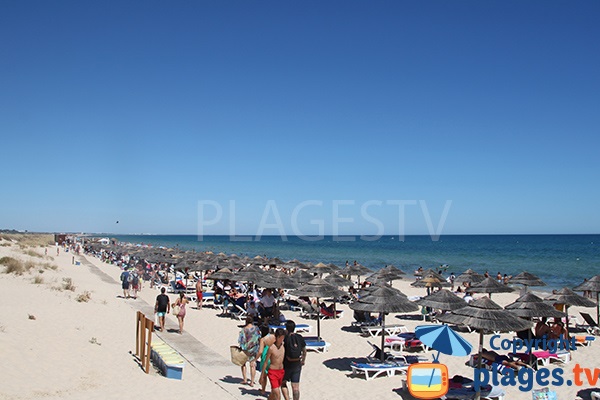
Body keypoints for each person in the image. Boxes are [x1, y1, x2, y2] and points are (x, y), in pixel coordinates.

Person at [282, 320, 307, 400]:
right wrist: (303, 360)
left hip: (287, 364)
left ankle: (287, 398)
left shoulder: (286, 338)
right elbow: (304, 351)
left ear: (286, 328)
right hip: (297, 363)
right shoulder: (299, 337)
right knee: (295, 387)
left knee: (283, 383)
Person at [261, 328, 286, 400]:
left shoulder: (283, 345)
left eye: (283, 338)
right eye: (281, 338)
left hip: (281, 371)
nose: (282, 339)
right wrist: (262, 375)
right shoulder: (271, 348)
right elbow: (265, 362)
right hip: (272, 372)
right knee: (277, 393)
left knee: (273, 392)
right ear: (277, 337)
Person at [238, 316, 261, 386]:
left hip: (246, 349)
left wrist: (241, 347)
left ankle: (245, 379)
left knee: (243, 364)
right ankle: (252, 381)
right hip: (254, 349)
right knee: (253, 365)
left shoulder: (243, 330)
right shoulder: (256, 329)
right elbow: (259, 337)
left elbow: (241, 340)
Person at [258, 325, 277, 394]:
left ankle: (263, 390)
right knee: (272, 375)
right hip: (272, 357)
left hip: (265, 358)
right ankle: (273, 390)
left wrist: (255, 359)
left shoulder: (263, 339)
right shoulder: (274, 337)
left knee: (264, 375)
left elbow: (260, 351)